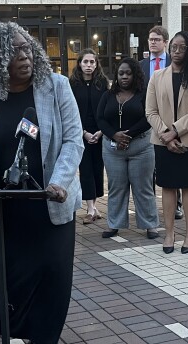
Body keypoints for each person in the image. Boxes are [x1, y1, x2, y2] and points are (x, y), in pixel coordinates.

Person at [0, 22, 83, 342]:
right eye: (15, 50)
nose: (25, 55)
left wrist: (61, 182)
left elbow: (73, 140)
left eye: (27, 47)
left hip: (50, 205)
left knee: (52, 283)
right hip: (7, 211)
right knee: (11, 285)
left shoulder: (57, 86)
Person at [146, 31, 188, 254]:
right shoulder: (157, 77)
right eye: (174, 47)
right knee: (168, 186)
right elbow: (150, 111)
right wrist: (166, 134)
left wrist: (175, 131)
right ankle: (170, 232)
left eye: (182, 47)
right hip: (163, 141)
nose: (176, 51)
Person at [97, 57, 160, 239]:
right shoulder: (108, 95)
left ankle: (150, 225)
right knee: (116, 186)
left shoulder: (144, 94)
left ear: (135, 75)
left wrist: (128, 134)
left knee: (143, 187)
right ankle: (114, 224)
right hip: (112, 149)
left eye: (128, 73)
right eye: (121, 73)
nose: (124, 76)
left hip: (140, 147)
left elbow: (149, 117)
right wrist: (115, 135)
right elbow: (100, 118)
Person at [140, 25, 184, 220]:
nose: (153, 42)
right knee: (150, 168)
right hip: (147, 121)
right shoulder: (141, 65)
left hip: (172, 124)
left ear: (165, 42)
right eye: (150, 39)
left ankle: (178, 204)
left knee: (174, 167)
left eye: (157, 39)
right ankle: (151, 208)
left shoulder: (174, 62)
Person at [69, 49, 108, 225]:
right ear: (79, 64)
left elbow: (107, 109)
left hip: (100, 133)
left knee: (97, 169)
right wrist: (84, 133)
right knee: (85, 170)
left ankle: (94, 205)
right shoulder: (73, 84)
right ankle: (90, 208)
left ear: (96, 64)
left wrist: (100, 132)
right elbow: (71, 112)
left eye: (92, 62)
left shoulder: (102, 83)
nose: (89, 66)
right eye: (85, 62)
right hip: (80, 133)